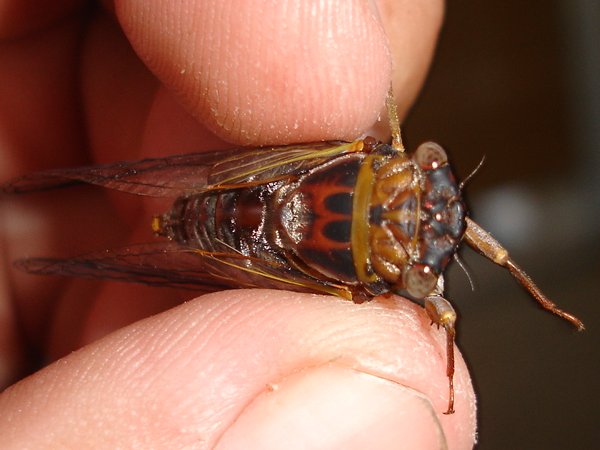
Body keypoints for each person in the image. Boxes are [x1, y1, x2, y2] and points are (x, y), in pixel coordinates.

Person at [0, 1, 476, 448]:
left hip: (251, 235)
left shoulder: (375, 157)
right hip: (243, 206)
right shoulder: (366, 278)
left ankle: (48, 214)